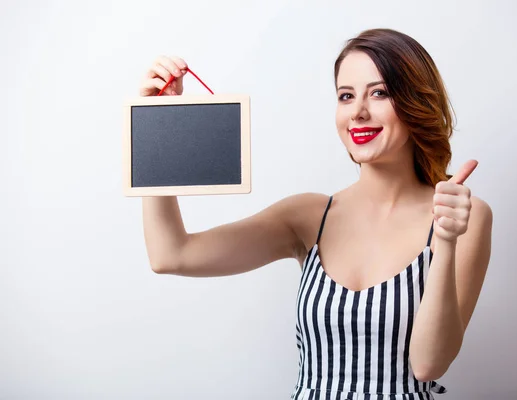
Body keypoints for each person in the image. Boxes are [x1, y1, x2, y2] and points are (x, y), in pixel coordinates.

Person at [139, 28, 493, 400]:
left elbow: (428, 365)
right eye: (345, 96)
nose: (358, 111)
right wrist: (155, 125)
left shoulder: (462, 216)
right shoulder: (309, 216)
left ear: (415, 102)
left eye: (379, 92)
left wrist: (447, 242)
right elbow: (171, 255)